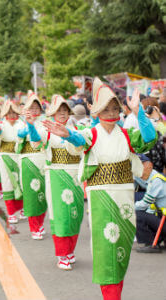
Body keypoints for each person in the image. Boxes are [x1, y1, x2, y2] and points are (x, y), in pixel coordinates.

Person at [44, 78, 157, 300]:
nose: (112, 112)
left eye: (115, 107)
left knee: (122, 246)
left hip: (124, 194)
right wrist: (68, 134)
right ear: (96, 110)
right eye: (106, 108)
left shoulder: (125, 134)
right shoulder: (91, 133)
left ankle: (116, 294)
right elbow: (80, 139)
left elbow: (149, 139)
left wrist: (139, 112)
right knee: (107, 249)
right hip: (101, 195)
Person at [41, 95, 84, 270]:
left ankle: (70, 250)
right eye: (59, 111)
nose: (62, 114)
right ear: (53, 113)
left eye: (65, 111)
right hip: (57, 174)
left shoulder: (77, 129)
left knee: (75, 213)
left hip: (75, 175)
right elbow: (36, 140)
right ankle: (62, 254)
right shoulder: (46, 130)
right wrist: (29, 125)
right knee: (61, 215)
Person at [17, 93, 48, 240]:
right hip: (28, 162)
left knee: (43, 194)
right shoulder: (23, 126)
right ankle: (34, 227)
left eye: (37, 108)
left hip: (43, 161)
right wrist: (28, 124)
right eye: (31, 108)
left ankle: (40, 224)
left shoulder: (45, 124)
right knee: (31, 195)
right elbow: (21, 135)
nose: (34, 111)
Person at [0, 101, 24, 224]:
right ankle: (11, 212)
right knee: (8, 183)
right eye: (9, 113)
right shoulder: (1, 124)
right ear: (6, 114)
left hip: (18, 155)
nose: (12, 115)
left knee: (21, 181)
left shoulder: (21, 124)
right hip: (5, 156)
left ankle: (22, 208)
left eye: (14, 113)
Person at [135, 154, 166, 253]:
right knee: (145, 213)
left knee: (136, 214)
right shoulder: (152, 179)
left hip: (163, 219)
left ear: (150, 166)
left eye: (141, 165)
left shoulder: (156, 181)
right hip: (162, 217)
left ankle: (150, 243)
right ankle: (158, 238)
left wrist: (130, 208)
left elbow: (145, 203)